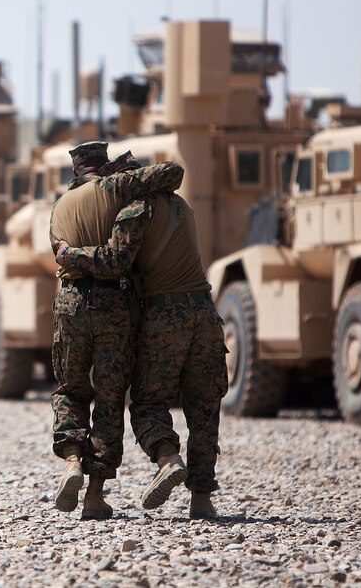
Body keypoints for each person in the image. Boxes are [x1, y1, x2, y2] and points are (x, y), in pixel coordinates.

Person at [55, 151, 227, 520]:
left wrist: (72, 254)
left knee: (147, 403)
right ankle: (201, 498)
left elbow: (117, 260)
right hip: (206, 311)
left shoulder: (134, 210)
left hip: (166, 315)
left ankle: (166, 459)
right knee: (204, 408)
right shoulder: (183, 207)